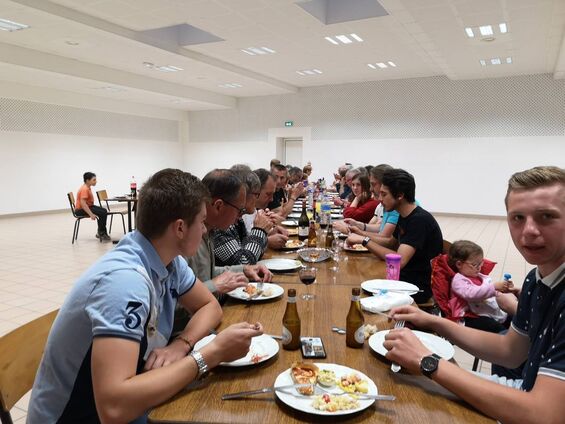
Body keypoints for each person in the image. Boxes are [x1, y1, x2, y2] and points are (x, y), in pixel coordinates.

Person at [28, 169, 264, 423]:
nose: (205, 231)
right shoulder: (124, 282)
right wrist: (209, 355)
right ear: (181, 228)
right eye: (202, 222)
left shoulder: (168, 260)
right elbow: (114, 408)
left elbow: (210, 307)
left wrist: (181, 345)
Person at [383, 166, 565, 423]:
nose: (529, 230)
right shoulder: (537, 279)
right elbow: (510, 350)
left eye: (546, 216)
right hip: (524, 393)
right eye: (517, 218)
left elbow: (544, 414)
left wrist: (427, 362)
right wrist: (434, 321)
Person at [346, 168, 443, 303]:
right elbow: (391, 242)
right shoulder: (404, 215)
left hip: (416, 288)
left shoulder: (419, 220)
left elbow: (400, 260)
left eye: (384, 194)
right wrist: (360, 233)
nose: (380, 199)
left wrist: (364, 240)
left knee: (355, 288)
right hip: (401, 280)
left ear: (400, 195)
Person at [186, 169, 272, 298]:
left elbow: (205, 274)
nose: (240, 217)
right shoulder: (187, 237)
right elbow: (173, 305)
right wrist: (214, 286)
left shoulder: (209, 230)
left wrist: (244, 270)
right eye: (240, 210)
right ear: (218, 206)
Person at [447, 240, 513, 333]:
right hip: (470, 316)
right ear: (459, 264)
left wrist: (504, 288)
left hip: (485, 311)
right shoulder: (458, 281)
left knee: (514, 318)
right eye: (474, 264)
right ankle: (506, 340)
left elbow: (490, 291)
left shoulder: (479, 276)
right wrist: (494, 287)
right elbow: (471, 294)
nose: (479, 267)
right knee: (494, 327)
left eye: (480, 263)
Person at [212, 166, 272, 266]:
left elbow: (250, 251)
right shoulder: (221, 223)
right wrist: (259, 230)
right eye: (256, 194)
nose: (257, 198)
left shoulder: (237, 219)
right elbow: (244, 262)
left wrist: (264, 231)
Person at [243, 168, 289, 250]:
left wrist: (269, 233)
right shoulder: (241, 213)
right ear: (255, 190)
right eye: (268, 194)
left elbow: (249, 237)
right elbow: (242, 253)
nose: (271, 199)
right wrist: (267, 242)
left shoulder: (255, 210)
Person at [74, 171, 111, 242]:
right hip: (80, 210)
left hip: (88, 206)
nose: (96, 181)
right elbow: (83, 204)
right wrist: (91, 214)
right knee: (102, 213)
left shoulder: (87, 187)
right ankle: (102, 233)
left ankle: (100, 232)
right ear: (87, 180)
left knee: (103, 211)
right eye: (94, 180)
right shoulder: (84, 189)